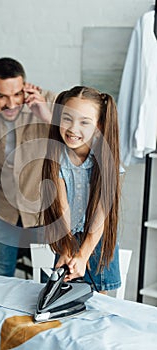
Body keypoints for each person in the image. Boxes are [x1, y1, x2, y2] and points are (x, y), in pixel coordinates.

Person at [0, 57, 56, 277]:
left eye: (17, 94)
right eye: (2, 96)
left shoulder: (48, 102)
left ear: (25, 87)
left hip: (43, 211)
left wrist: (45, 115)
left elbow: (79, 145)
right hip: (3, 210)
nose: (11, 103)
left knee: (47, 278)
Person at [41, 86, 121, 292]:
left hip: (98, 237)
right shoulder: (56, 158)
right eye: (67, 118)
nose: (73, 129)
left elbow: (101, 215)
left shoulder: (106, 162)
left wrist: (84, 253)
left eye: (84, 122)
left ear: (99, 126)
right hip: (65, 235)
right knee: (61, 297)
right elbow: (62, 208)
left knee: (97, 303)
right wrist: (67, 248)